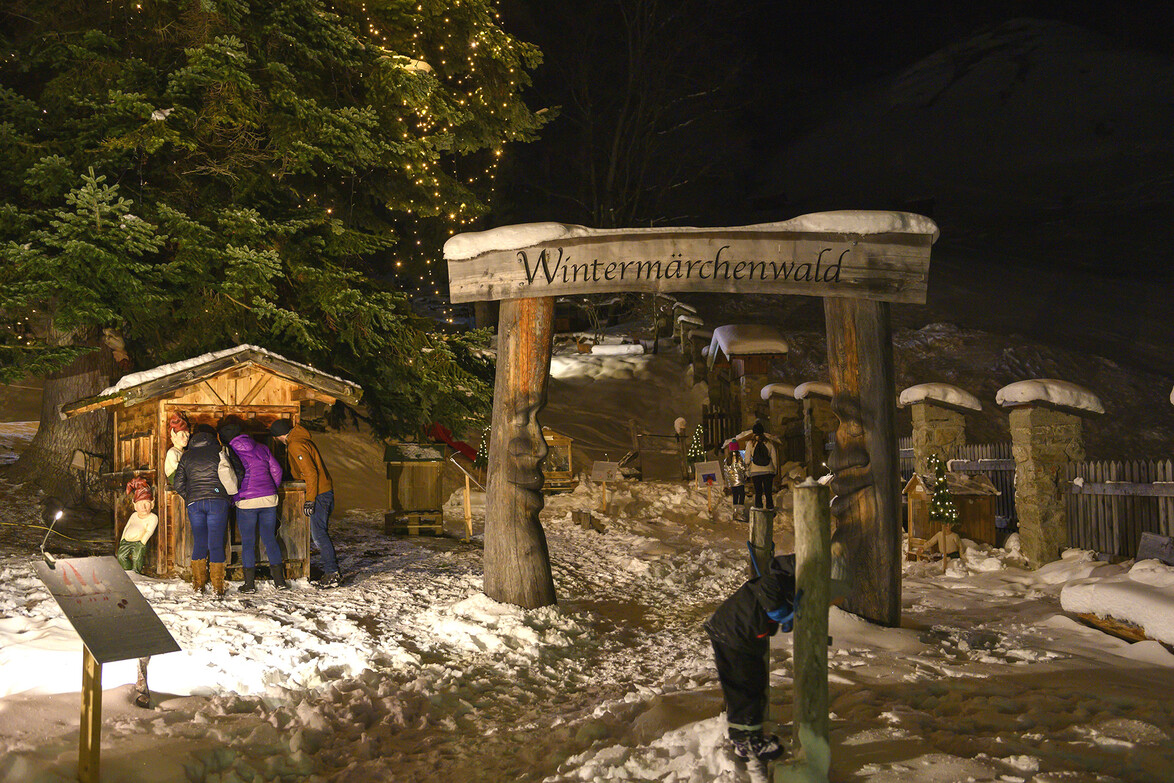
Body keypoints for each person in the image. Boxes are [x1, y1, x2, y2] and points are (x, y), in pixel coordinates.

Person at [704, 554, 799, 763]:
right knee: (743, 688)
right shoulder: (776, 580)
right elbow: (770, 599)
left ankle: (750, 736)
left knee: (753, 684)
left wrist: (784, 614)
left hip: (738, 636)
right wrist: (784, 613)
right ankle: (745, 742)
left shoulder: (783, 580)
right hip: (732, 636)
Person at [219, 418, 288, 593]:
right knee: (269, 538)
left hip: (246, 501)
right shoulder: (261, 447)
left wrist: (234, 496)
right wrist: (272, 488)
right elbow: (277, 470)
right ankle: (279, 582)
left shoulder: (229, 451)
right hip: (268, 499)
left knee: (248, 542)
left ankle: (249, 584)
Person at [270, 419, 341, 588]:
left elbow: (310, 473)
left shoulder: (295, 445)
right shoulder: (301, 440)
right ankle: (331, 571)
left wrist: (310, 500)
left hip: (319, 494)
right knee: (319, 533)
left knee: (319, 534)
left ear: (278, 436)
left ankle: (332, 573)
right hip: (323, 491)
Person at [174, 425, 231, 597]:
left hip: (195, 504)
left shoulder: (186, 456)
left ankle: (198, 585)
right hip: (217, 502)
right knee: (216, 542)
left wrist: (190, 496)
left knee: (199, 541)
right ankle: (217, 587)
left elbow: (178, 484)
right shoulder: (221, 451)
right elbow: (235, 474)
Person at [117, 478, 158, 574]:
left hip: (139, 543)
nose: (143, 507)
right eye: (140, 504)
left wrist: (142, 543)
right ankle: (127, 572)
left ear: (152, 504)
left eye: (146, 504)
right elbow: (127, 527)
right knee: (121, 556)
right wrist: (122, 539)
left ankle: (136, 573)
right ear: (135, 505)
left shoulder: (152, 517)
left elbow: (149, 531)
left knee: (137, 557)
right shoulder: (134, 515)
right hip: (126, 542)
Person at [744, 422, 778, 509]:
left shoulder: (750, 443)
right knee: (768, 492)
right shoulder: (769, 443)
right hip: (768, 471)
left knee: (758, 492)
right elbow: (774, 457)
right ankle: (770, 509)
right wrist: (774, 470)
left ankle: (759, 510)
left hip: (755, 472)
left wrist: (747, 470)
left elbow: (747, 460)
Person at [722, 440, 747, 518]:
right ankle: (740, 512)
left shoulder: (727, 459)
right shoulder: (739, 457)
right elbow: (742, 467)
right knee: (742, 494)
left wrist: (728, 480)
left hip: (732, 481)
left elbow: (726, 470)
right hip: (739, 480)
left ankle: (735, 512)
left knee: (735, 495)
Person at [163, 412, 190, 486]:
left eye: (187, 435)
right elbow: (176, 466)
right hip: (175, 476)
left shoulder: (184, 451)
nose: (186, 438)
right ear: (174, 436)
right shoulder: (172, 452)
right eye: (182, 435)